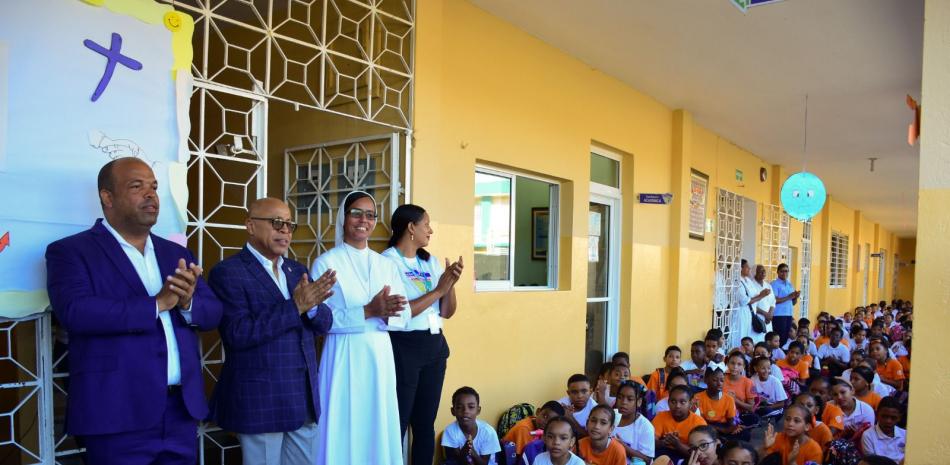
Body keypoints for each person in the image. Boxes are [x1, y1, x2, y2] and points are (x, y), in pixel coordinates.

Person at [45, 158, 223, 464]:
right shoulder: (71, 251)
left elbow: (213, 312)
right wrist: (157, 303)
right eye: (137, 186)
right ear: (107, 197)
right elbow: (75, 311)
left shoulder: (176, 253)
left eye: (154, 187)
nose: (151, 195)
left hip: (180, 412)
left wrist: (187, 302)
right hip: (116, 414)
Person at [208, 198, 336, 464]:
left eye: (290, 225)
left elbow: (324, 324)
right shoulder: (228, 272)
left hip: (301, 397)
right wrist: (296, 306)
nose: (285, 230)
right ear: (250, 226)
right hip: (260, 400)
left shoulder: (296, 270)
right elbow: (238, 333)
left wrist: (312, 309)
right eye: (277, 223)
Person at [310, 191, 410, 465]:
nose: (363, 220)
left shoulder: (385, 264)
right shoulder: (326, 263)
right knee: (343, 420)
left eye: (370, 214)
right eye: (356, 212)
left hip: (378, 354)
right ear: (343, 217)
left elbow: (405, 315)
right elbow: (319, 318)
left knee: (376, 419)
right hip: (343, 355)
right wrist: (369, 311)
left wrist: (389, 313)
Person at [382, 204, 463, 465]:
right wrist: (439, 290)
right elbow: (398, 311)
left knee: (425, 422)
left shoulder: (430, 261)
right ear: (410, 227)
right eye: (426, 224)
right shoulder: (387, 262)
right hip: (405, 346)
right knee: (400, 420)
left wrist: (449, 284)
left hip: (435, 345)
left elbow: (447, 312)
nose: (430, 230)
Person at [442, 387, 501, 465]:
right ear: (453, 411)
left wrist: (473, 452)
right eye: (459, 407)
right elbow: (456, 461)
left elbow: (484, 463)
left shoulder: (488, 432)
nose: (465, 411)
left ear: (478, 410)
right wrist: (464, 450)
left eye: (471, 407)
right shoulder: (450, 431)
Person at [652, 385, 707, 462]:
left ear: (690, 404)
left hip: (686, 456)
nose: (677, 406)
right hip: (663, 452)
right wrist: (663, 442)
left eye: (682, 402)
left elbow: (700, 454)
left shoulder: (699, 422)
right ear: (668, 402)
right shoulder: (661, 416)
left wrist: (677, 444)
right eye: (673, 401)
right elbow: (650, 441)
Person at [730, 260, 772, 348]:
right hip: (741, 313)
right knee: (740, 336)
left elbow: (756, 294)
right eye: (747, 267)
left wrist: (763, 293)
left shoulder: (748, 280)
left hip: (750, 313)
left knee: (747, 336)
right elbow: (744, 301)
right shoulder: (737, 281)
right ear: (740, 268)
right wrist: (761, 295)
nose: (749, 268)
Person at [612, 381, 654, 465]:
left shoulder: (645, 426)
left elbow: (647, 460)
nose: (624, 402)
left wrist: (622, 446)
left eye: (630, 399)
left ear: (639, 402)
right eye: (620, 397)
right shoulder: (610, 416)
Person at [694, 364, 740, 437]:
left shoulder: (729, 399)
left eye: (722, 380)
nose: (719, 384)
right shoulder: (698, 398)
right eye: (715, 380)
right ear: (706, 380)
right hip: (706, 427)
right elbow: (700, 422)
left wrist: (726, 429)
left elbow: (732, 424)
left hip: (723, 426)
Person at [860, 396, 905, 463]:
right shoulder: (868, 435)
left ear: (899, 418)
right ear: (877, 415)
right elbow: (872, 462)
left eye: (893, 418)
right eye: (884, 416)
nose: (888, 421)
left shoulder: (905, 434)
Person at [770, 264, 800, 346]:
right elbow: (774, 300)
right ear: (778, 272)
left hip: (788, 314)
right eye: (782, 271)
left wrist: (795, 297)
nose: (784, 273)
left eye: (786, 271)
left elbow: (793, 303)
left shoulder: (789, 284)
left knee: (786, 337)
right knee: (780, 337)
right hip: (778, 315)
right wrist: (789, 296)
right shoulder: (774, 284)